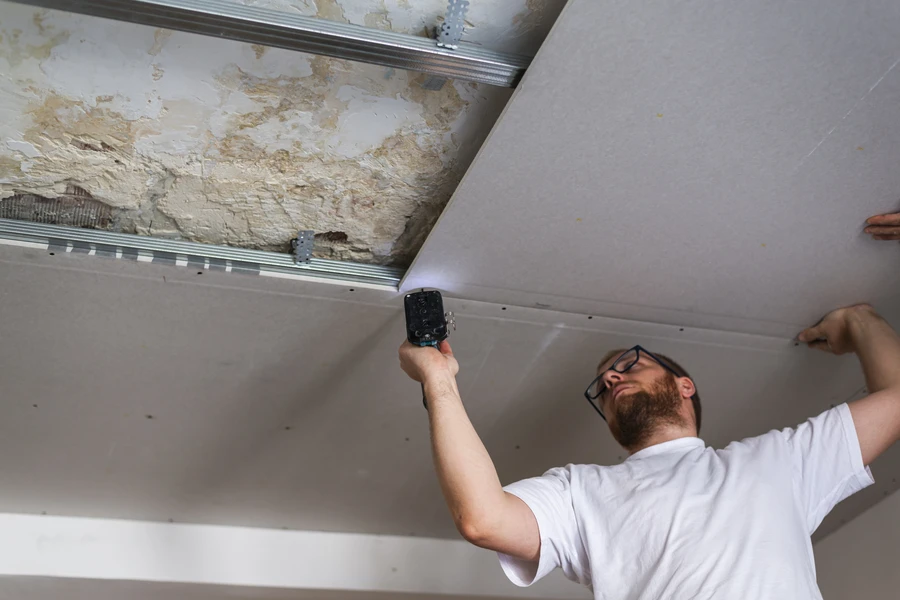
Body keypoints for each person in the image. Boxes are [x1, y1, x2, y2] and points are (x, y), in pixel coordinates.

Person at [398, 302, 900, 600]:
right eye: (604, 384)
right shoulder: (579, 491)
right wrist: (438, 382)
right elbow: (483, 519)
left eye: (629, 364)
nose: (612, 376)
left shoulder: (778, 461)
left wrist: (861, 321)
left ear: (684, 385)